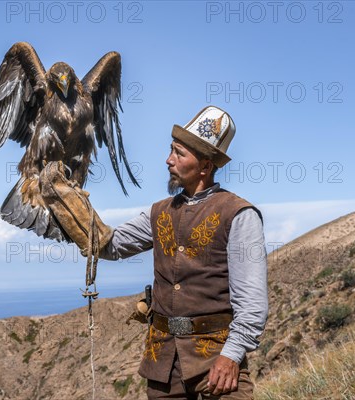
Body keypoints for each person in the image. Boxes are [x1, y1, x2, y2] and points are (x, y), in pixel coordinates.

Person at [97, 105, 269, 399]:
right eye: (171, 150)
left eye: (179, 153)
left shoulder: (239, 214)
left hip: (217, 362)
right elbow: (110, 245)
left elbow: (252, 305)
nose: (168, 160)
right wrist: (65, 213)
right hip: (162, 365)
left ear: (204, 166)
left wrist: (231, 357)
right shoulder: (159, 212)